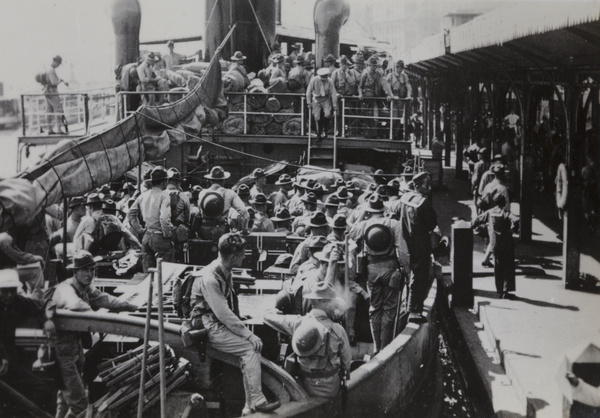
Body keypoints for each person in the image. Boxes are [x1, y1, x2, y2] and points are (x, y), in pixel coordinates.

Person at [189, 233, 280, 415]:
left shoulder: (224, 270)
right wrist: (248, 333)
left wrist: (240, 320)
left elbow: (229, 304)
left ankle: (249, 406)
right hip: (207, 325)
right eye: (242, 254)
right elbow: (223, 314)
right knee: (250, 348)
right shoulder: (210, 278)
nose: (244, 257)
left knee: (248, 351)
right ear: (233, 256)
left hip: (214, 321)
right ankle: (257, 400)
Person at [46, 250, 137, 418]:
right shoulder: (65, 289)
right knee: (80, 403)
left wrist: (130, 306)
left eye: (92, 270)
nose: (90, 274)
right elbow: (76, 305)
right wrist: (98, 320)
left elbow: (104, 299)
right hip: (61, 352)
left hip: (75, 348)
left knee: (65, 401)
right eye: (85, 270)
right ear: (75, 272)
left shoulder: (85, 288)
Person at [264, 282, 351, 399]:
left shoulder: (299, 323)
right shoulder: (338, 329)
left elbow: (268, 318)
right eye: (332, 302)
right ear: (324, 303)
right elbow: (346, 363)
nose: (335, 306)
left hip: (305, 387)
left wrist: (272, 312)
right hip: (331, 388)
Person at [349, 195, 407, 352]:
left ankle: (376, 346)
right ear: (383, 209)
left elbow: (351, 233)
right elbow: (402, 250)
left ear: (369, 210)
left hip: (372, 269)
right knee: (389, 308)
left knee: (374, 308)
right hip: (390, 266)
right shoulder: (394, 223)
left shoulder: (364, 224)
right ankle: (386, 346)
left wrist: (362, 215)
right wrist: (405, 269)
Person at [0, 269, 55, 413]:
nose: (9, 295)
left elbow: (37, 307)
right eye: (4, 291)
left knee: (41, 391)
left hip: (10, 360)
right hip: (3, 359)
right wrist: (3, 358)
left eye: (12, 291)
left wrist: (46, 321)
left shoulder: (18, 302)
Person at [398, 172, 439, 324]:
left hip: (405, 243)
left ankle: (408, 308)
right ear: (416, 185)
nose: (429, 187)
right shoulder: (423, 202)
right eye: (425, 184)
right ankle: (414, 311)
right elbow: (432, 223)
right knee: (419, 276)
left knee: (412, 277)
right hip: (420, 244)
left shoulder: (405, 198)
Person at [127, 166, 175, 272]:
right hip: (160, 236)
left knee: (148, 274)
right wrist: (167, 234)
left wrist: (139, 229)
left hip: (147, 236)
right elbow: (164, 218)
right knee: (165, 274)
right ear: (163, 182)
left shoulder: (143, 196)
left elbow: (130, 214)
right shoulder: (164, 195)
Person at [472, 194, 519, 298]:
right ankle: (506, 291)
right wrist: (513, 228)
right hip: (507, 244)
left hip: (495, 244)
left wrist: (468, 226)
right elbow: (515, 220)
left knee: (498, 268)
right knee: (508, 267)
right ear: (503, 202)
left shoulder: (490, 212)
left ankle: (499, 291)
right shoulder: (505, 212)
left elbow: (477, 220)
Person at [74, 193, 141, 255]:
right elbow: (129, 236)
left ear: (90, 207)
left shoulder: (87, 220)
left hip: (92, 256)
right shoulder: (113, 218)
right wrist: (140, 247)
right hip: (111, 254)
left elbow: (76, 239)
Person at [198, 166, 250, 230]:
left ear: (210, 180)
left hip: (204, 231)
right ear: (223, 180)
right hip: (221, 230)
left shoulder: (202, 193)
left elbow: (200, 211)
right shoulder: (230, 193)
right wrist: (245, 228)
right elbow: (244, 211)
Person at [358, 57, 396, 138]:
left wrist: (387, 94)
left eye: (375, 66)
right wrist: (360, 94)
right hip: (366, 98)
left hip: (374, 98)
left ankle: (373, 133)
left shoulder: (378, 74)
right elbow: (360, 86)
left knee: (375, 116)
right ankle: (366, 134)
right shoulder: (365, 74)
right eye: (372, 65)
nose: (373, 67)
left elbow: (383, 84)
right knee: (366, 116)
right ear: (369, 65)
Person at [306, 68, 338, 141]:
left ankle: (324, 129)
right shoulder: (314, 80)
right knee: (316, 117)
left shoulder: (330, 81)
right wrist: (308, 102)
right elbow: (308, 91)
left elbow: (333, 92)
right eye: (322, 77)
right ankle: (318, 134)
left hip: (326, 99)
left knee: (327, 114)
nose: (324, 79)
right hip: (316, 99)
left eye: (325, 77)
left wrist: (334, 104)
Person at [44, 55, 69, 135]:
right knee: (57, 109)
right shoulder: (51, 70)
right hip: (52, 92)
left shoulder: (48, 69)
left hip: (47, 92)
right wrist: (60, 81)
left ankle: (49, 129)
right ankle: (58, 129)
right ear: (56, 62)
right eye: (58, 64)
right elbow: (54, 82)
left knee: (49, 110)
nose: (58, 66)